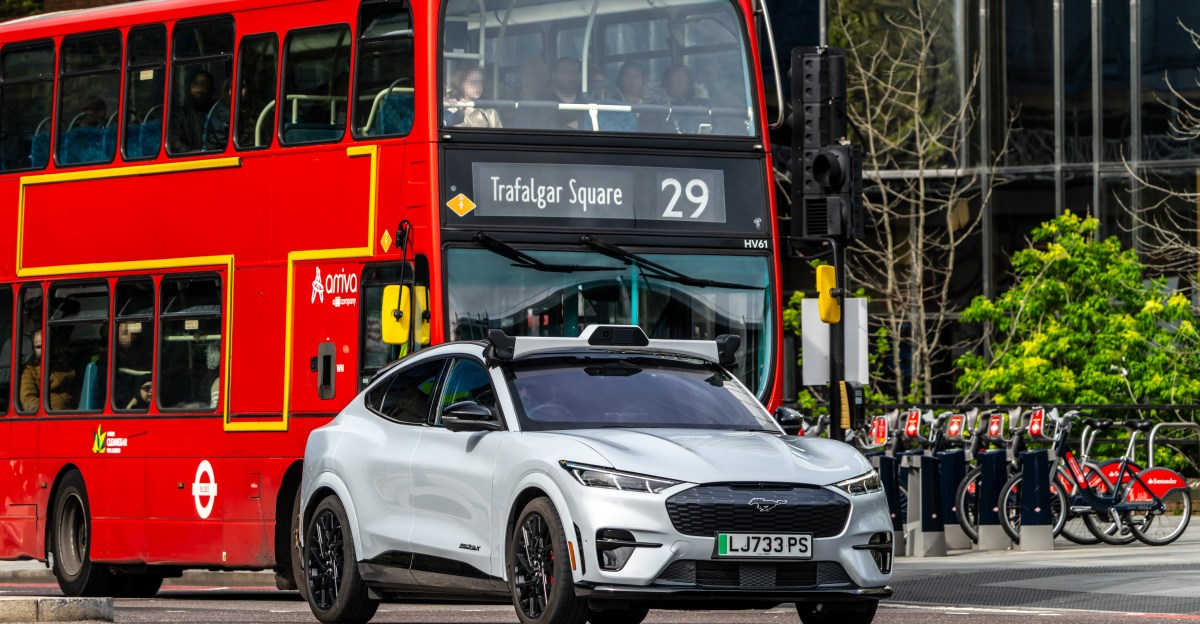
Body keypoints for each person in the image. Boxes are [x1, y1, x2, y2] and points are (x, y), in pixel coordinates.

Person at [642, 64, 709, 134]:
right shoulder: (654, 108)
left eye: (680, 80)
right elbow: (649, 134)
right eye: (671, 80)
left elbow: (714, 129)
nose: (675, 84)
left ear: (690, 83)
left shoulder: (703, 105)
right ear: (665, 84)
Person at [168, 69, 217, 153]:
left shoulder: (218, 112)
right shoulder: (179, 114)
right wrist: (191, 152)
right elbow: (173, 140)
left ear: (211, 90)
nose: (199, 89)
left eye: (203, 85)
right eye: (196, 84)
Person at [505, 57, 552, 129]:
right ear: (523, 77)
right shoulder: (508, 100)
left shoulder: (550, 101)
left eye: (544, 74)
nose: (541, 78)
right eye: (536, 74)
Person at [550, 57, 588, 130]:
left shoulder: (588, 102)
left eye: (575, 72)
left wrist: (581, 123)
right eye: (565, 72)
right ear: (554, 75)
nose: (571, 77)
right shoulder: (544, 103)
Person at [18, 330, 41, 412]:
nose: (43, 349)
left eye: (48, 344)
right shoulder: (29, 370)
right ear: (33, 349)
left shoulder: (66, 368)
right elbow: (28, 400)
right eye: (38, 347)